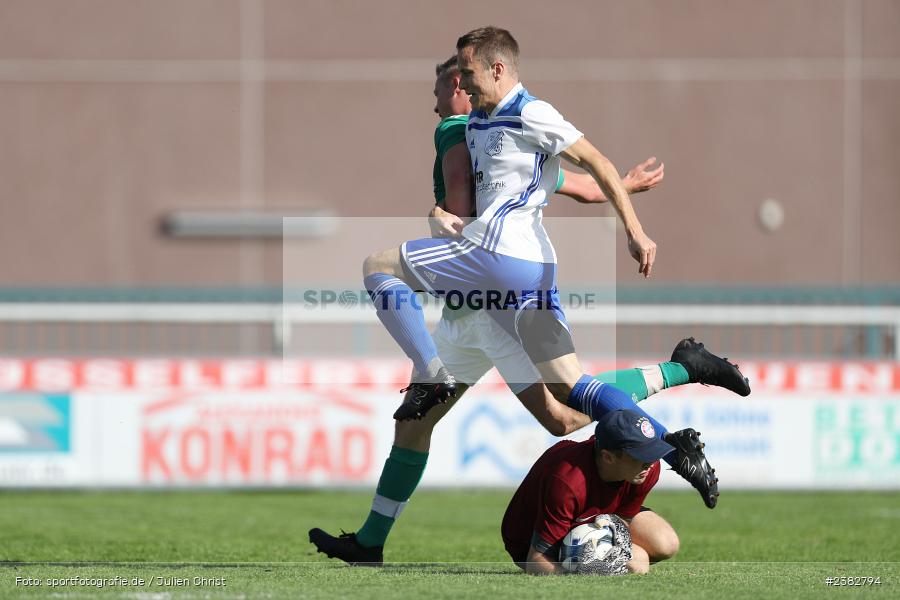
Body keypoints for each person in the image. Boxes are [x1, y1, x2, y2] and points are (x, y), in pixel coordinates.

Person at [308, 55, 750, 567]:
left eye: (441, 86)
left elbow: (460, 199)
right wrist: (620, 188)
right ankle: (369, 543)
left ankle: (680, 375)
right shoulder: (500, 134)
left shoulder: (457, 128)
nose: (436, 100)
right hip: (468, 311)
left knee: (558, 404)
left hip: (485, 302)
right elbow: (571, 184)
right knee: (519, 419)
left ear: (458, 83)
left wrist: (442, 217)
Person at [502, 409, 680, 575]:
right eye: (641, 455)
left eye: (652, 451)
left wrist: (611, 544)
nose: (650, 462)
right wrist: (581, 574)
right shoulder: (567, 482)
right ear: (608, 457)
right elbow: (535, 559)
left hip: (593, 514)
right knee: (637, 562)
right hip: (530, 539)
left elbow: (622, 520)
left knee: (666, 543)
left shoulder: (646, 469)